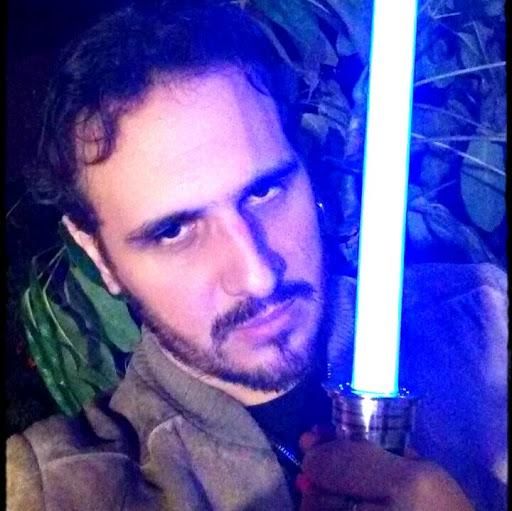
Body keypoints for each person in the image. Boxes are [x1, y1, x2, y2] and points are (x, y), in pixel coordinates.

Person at [6, 2, 506, 510]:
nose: (258, 275)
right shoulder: (53, 490)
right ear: (98, 255)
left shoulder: (488, 322)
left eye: (264, 191)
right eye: (175, 230)